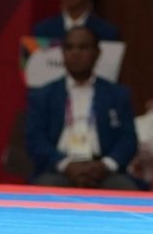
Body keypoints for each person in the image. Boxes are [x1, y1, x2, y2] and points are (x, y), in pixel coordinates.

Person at [26, 26, 141, 190]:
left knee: (125, 189)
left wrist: (106, 165)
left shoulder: (117, 95)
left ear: (97, 53)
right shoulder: (43, 95)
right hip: (59, 168)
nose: (75, 53)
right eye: (69, 47)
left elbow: (128, 140)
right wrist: (66, 165)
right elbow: (35, 140)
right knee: (46, 188)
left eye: (83, 47)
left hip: (103, 169)